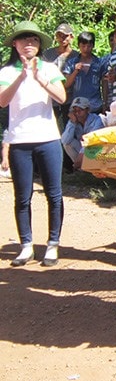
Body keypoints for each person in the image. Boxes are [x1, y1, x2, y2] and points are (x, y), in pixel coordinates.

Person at [0, 21, 67, 267]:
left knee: (54, 193)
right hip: (20, 141)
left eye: (35, 40)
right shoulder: (6, 72)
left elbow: (61, 97)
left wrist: (39, 78)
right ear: (15, 44)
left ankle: (52, 245)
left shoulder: (49, 68)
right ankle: (26, 245)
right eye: (25, 40)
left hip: (48, 138)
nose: (30, 44)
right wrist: (21, 76)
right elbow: (3, 102)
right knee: (22, 196)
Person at [62, 31, 104, 113]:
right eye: (83, 46)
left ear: (93, 46)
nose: (86, 49)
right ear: (78, 46)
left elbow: (105, 83)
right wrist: (75, 71)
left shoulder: (99, 63)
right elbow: (66, 84)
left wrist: (105, 103)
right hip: (77, 107)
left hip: (96, 106)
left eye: (89, 46)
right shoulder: (71, 63)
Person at [60, 96, 103, 168]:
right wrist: (72, 123)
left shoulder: (97, 120)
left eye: (80, 110)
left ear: (88, 110)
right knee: (68, 144)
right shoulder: (73, 121)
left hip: (96, 149)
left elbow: (91, 141)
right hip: (83, 148)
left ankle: (86, 166)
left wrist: (81, 155)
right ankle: (82, 169)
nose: (77, 113)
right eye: (75, 111)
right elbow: (64, 141)